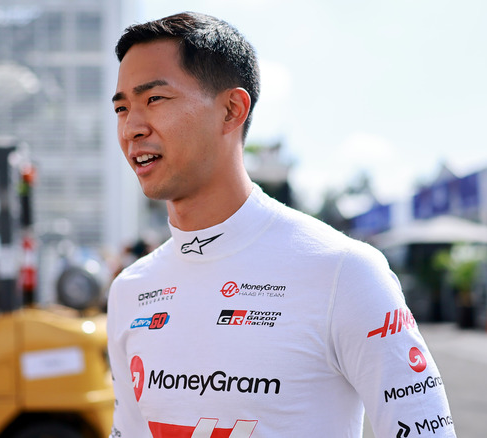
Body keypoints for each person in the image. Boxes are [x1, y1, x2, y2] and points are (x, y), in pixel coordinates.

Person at [107, 11, 455, 437]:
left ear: (231, 110)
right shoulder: (131, 289)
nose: (132, 128)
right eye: (122, 108)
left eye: (154, 100)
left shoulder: (344, 271)